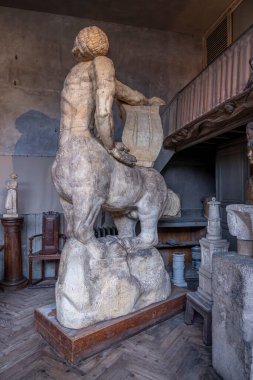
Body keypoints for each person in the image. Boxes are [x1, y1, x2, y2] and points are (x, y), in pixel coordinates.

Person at [59, 26, 164, 166]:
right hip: (83, 147)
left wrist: (146, 100)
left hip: (63, 150)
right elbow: (103, 113)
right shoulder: (101, 63)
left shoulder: (72, 74)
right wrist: (111, 147)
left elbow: (127, 94)